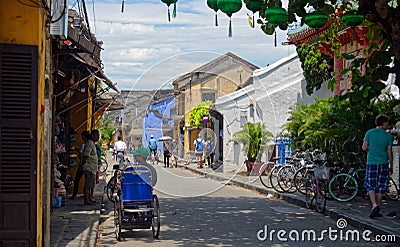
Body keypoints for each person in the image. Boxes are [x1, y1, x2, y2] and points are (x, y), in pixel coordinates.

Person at [362, 115, 393, 218]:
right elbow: (389, 152)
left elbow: (364, 147)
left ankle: (374, 205)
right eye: (386, 123)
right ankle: (377, 208)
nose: (387, 125)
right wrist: (391, 164)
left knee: (370, 184)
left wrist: (370, 150)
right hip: (383, 163)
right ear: (383, 123)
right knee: (381, 186)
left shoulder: (369, 133)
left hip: (371, 162)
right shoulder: (388, 136)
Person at [70, 130, 91, 200]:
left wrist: (81, 163)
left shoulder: (84, 145)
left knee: (77, 180)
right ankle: (88, 195)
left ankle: (74, 194)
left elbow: (82, 154)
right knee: (87, 181)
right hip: (88, 165)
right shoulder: (89, 144)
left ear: (84, 137)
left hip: (82, 164)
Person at [82, 129, 100, 205]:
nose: (98, 137)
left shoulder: (92, 143)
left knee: (90, 185)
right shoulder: (89, 143)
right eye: (96, 135)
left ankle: (89, 198)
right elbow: (86, 155)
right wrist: (83, 163)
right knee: (88, 185)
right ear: (92, 135)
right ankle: (87, 200)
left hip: (92, 168)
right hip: (89, 167)